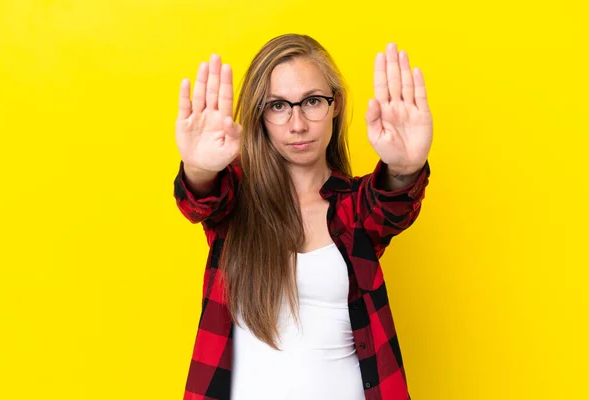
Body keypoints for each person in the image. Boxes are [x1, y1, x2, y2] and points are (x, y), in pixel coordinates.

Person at [173, 33, 432, 400]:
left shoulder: (354, 208)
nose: (297, 124)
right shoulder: (238, 202)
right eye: (278, 106)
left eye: (312, 101)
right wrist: (198, 168)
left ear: (335, 104)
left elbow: (392, 203)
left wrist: (405, 169)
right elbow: (200, 200)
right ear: (260, 114)